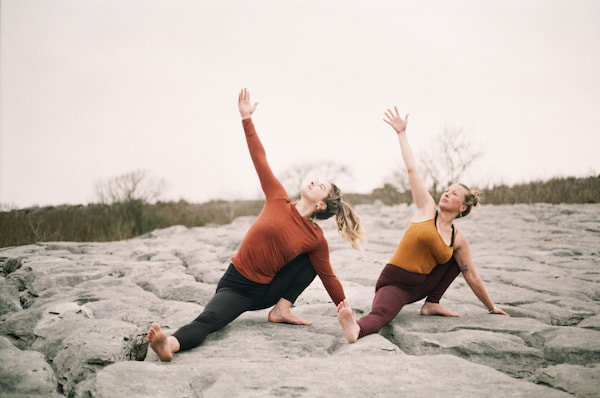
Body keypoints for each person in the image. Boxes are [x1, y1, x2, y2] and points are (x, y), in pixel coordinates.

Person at [148, 88, 365, 361]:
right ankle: (169, 344)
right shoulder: (278, 197)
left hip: (266, 290)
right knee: (210, 320)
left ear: (322, 205)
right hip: (236, 286)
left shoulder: (315, 237)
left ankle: (281, 310)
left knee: (313, 261)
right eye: (316, 180)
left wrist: (345, 311)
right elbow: (259, 158)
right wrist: (247, 119)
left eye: (320, 185)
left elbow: (328, 276)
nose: (313, 181)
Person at [337, 106, 508, 343]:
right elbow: (412, 170)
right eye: (447, 190)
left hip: (419, 287)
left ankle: (432, 304)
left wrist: (491, 307)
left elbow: (472, 275)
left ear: (463, 207)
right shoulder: (426, 209)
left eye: (454, 194)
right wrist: (401, 133)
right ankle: (356, 328)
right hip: (395, 282)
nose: (447, 193)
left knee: (457, 261)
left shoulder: (457, 238)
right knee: (383, 315)